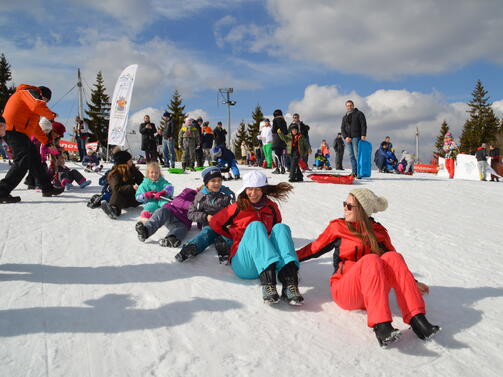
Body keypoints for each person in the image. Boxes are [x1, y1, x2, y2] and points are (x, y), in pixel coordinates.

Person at [296, 188, 440, 347]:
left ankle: (418, 320)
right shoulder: (338, 227)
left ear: (363, 210)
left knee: (393, 257)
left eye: (349, 206)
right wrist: (287, 261)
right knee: (370, 259)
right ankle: (382, 326)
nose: (345, 208)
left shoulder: (378, 231)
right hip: (346, 291)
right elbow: (313, 249)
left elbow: (396, 266)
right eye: (344, 204)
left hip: (373, 292)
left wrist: (412, 282)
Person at [209, 171, 303, 305]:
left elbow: (277, 234)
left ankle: (290, 283)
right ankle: (268, 285)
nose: (253, 193)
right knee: (255, 226)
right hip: (245, 264)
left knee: (281, 228)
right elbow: (215, 223)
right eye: (250, 189)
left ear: (263, 190)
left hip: (269, 262)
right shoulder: (236, 207)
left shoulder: (271, 207)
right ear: (245, 189)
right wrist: (234, 235)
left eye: (258, 189)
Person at [0, 84, 64, 203]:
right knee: (22, 161)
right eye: (45, 100)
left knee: (35, 161)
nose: (45, 103)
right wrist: (51, 115)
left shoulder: (31, 108)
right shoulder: (29, 93)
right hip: (13, 130)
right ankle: (2, 191)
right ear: (41, 95)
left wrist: (47, 142)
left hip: (20, 133)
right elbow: (37, 104)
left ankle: (47, 188)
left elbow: (35, 128)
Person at [175, 167, 235, 263]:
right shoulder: (201, 197)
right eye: (213, 181)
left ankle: (225, 251)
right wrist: (205, 217)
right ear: (206, 183)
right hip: (210, 224)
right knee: (206, 234)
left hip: (225, 224)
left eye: (219, 180)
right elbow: (191, 213)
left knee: (228, 235)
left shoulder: (227, 194)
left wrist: (231, 221)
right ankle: (190, 248)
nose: (217, 183)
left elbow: (234, 210)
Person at [101, 150, 144, 219]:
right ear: (124, 163)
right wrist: (131, 187)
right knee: (117, 193)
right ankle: (114, 210)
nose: (132, 162)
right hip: (121, 200)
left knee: (148, 190)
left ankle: (159, 202)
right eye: (130, 161)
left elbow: (142, 180)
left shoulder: (132, 169)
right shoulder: (115, 173)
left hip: (133, 198)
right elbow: (117, 188)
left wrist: (145, 186)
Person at [341, 100, 367, 178]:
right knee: (351, 156)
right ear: (346, 107)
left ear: (353, 105)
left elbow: (363, 125)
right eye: (348, 106)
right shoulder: (345, 116)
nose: (349, 107)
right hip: (348, 139)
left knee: (357, 155)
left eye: (350, 105)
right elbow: (342, 128)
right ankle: (354, 172)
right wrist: (345, 137)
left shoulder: (359, 113)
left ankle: (359, 173)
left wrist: (363, 135)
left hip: (356, 136)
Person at [272, 109, 288, 174]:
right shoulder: (284, 121)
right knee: (281, 154)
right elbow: (286, 131)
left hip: (276, 138)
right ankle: (283, 168)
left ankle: (277, 168)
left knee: (276, 154)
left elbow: (273, 130)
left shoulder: (275, 120)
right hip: (283, 139)